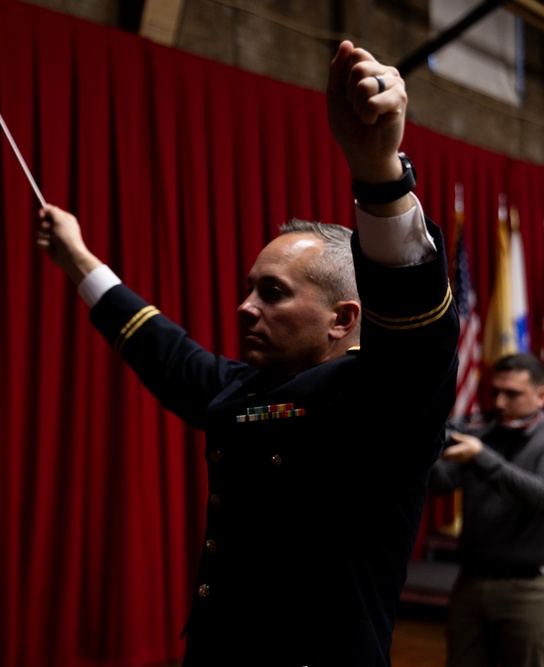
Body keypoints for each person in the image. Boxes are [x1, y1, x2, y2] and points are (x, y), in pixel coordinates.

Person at [35, 40, 459, 665]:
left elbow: (417, 328)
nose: (244, 308)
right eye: (248, 289)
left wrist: (380, 175)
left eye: (273, 293)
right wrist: (78, 261)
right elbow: (166, 352)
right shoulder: (246, 392)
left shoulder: (381, 402)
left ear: (345, 318)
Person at [429, 353, 544, 667]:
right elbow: (442, 484)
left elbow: (538, 495)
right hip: (470, 581)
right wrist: (430, 448)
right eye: (495, 392)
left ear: (540, 394)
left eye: (513, 394)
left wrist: (481, 457)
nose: (500, 402)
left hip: (527, 588)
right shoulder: (482, 428)